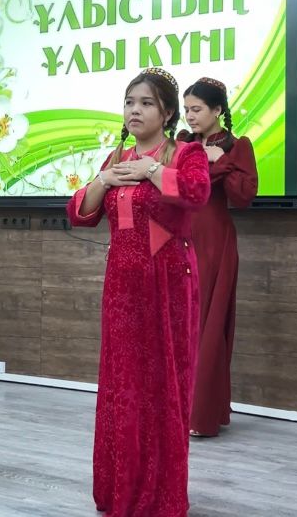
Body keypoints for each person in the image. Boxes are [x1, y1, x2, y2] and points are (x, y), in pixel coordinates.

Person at [66, 68, 210, 517]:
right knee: (122, 385)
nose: (134, 110)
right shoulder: (116, 157)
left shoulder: (185, 153)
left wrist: (151, 170)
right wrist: (104, 180)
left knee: (161, 385)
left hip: (167, 284)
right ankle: (121, 490)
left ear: (166, 113)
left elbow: (197, 193)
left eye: (146, 103)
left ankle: (160, 495)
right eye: (130, 102)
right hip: (121, 288)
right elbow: (80, 213)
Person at [179, 77, 258, 437]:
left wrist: (223, 161)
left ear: (217, 110)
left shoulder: (237, 146)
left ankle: (200, 416)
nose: (190, 116)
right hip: (179, 236)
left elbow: (244, 197)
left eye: (196, 109)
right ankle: (174, 412)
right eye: (186, 109)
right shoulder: (181, 143)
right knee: (178, 323)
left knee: (207, 326)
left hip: (213, 241)